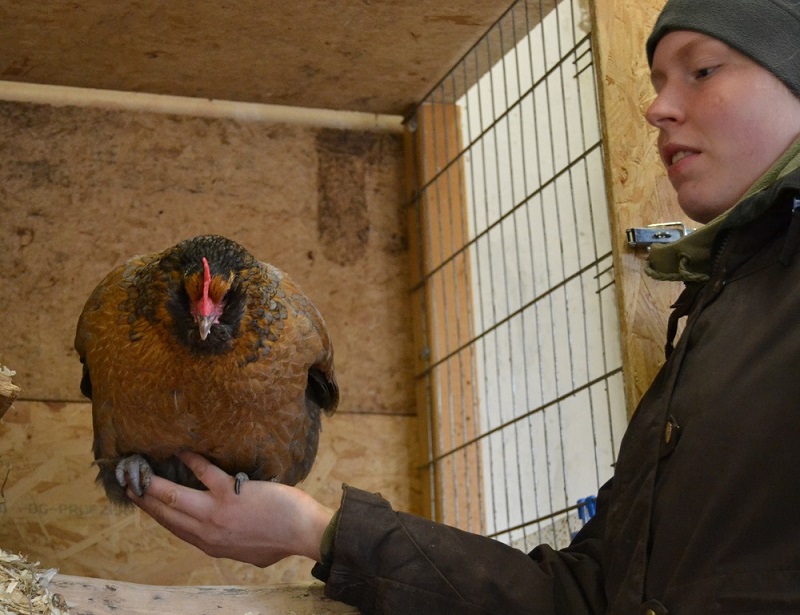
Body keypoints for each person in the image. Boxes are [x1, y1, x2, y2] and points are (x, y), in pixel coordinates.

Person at [129, 0, 800, 612]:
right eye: (655, 83)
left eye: (703, 71)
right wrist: (318, 530)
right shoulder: (714, 319)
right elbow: (582, 598)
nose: (657, 109)